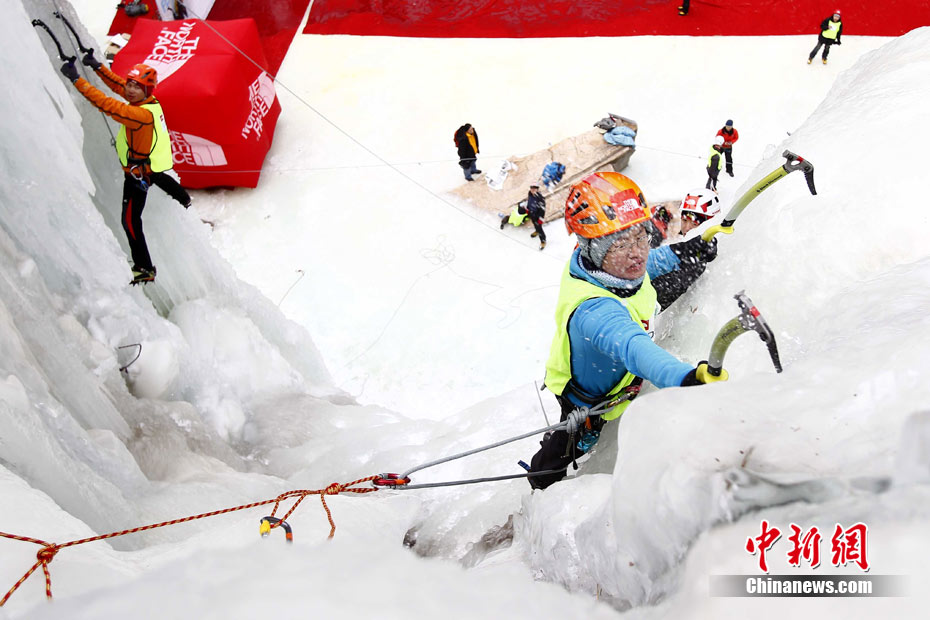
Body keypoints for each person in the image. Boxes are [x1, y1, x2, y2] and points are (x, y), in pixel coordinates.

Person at [527, 172, 727, 490]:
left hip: (627, 330)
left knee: (688, 270)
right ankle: (541, 479)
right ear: (592, 249)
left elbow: (650, 265)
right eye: (620, 244)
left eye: (640, 236)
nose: (637, 252)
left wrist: (688, 249)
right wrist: (685, 378)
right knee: (571, 442)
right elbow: (635, 349)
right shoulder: (595, 313)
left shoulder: (606, 267)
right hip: (588, 397)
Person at [61, 53, 191, 285]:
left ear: (146, 90)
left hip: (138, 173)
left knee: (130, 220)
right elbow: (119, 85)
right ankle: (185, 199)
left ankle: (145, 268)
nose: (130, 90)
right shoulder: (149, 103)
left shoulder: (139, 114)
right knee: (157, 176)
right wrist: (98, 67)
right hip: (150, 164)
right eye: (131, 84)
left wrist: (77, 80)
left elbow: (107, 104)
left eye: (137, 87)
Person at [526, 185, 547, 250]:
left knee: (539, 228)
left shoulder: (540, 198)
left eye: (534, 189)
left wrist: (541, 218)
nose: (532, 190)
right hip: (532, 213)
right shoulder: (530, 194)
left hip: (538, 216)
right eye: (531, 188)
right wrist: (528, 209)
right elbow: (529, 202)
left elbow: (542, 210)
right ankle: (537, 231)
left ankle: (543, 241)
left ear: (537, 190)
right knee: (535, 224)